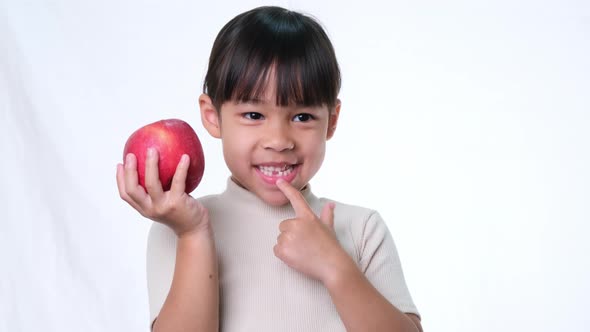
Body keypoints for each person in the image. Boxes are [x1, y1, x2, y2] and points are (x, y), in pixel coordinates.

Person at [116, 5, 422, 332]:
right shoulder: (178, 226)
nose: (278, 140)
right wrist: (193, 234)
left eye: (302, 117)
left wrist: (336, 266)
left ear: (331, 121)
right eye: (254, 115)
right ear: (212, 116)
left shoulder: (361, 230)